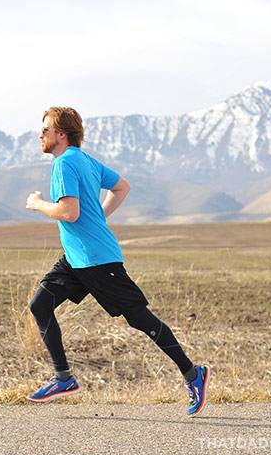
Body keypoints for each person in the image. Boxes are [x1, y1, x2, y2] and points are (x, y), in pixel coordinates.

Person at [24, 106, 210, 416]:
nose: (40, 134)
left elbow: (69, 212)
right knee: (40, 304)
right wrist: (99, 219)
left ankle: (193, 374)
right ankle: (63, 378)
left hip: (97, 260)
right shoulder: (85, 161)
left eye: (45, 129)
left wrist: (38, 204)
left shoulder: (64, 164)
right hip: (77, 258)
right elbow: (122, 186)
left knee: (140, 318)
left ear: (61, 134)